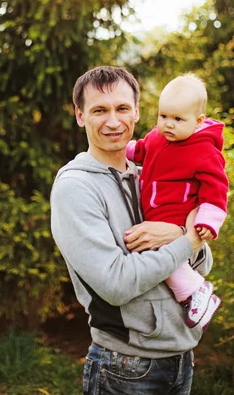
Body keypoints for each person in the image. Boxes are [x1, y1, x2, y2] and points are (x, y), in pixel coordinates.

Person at [51, 66, 215, 395]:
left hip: (181, 357)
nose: (113, 121)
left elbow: (203, 262)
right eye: (100, 110)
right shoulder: (76, 187)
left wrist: (183, 239)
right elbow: (117, 284)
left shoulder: (152, 178)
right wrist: (187, 238)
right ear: (80, 116)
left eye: (122, 108)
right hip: (124, 366)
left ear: (137, 112)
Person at [125, 74, 228, 330]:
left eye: (178, 119)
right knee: (156, 252)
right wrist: (120, 149)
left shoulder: (205, 151)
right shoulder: (158, 137)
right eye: (163, 117)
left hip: (176, 212)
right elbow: (141, 151)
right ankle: (194, 291)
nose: (168, 125)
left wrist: (207, 221)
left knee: (163, 256)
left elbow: (216, 190)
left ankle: (197, 291)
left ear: (198, 121)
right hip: (154, 209)